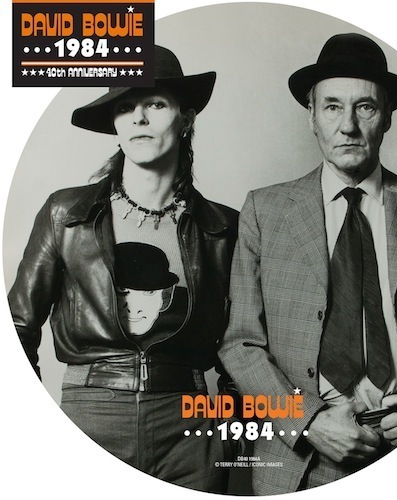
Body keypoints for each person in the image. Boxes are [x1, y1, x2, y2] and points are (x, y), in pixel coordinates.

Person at [218, 33, 397, 494]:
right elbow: (240, 343)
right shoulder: (265, 210)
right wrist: (306, 422)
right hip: (300, 460)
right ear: (311, 116)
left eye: (365, 107)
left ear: (387, 117)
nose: (348, 126)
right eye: (332, 107)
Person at [8, 45, 239, 493]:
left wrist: (228, 433)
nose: (139, 118)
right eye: (125, 107)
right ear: (114, 125)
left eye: (155, 104)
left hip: (191, 428)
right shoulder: (66, 214)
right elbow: (17, 327)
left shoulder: (223, 228)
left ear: (186, 119)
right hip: (90, 415)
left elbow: (245, 340)